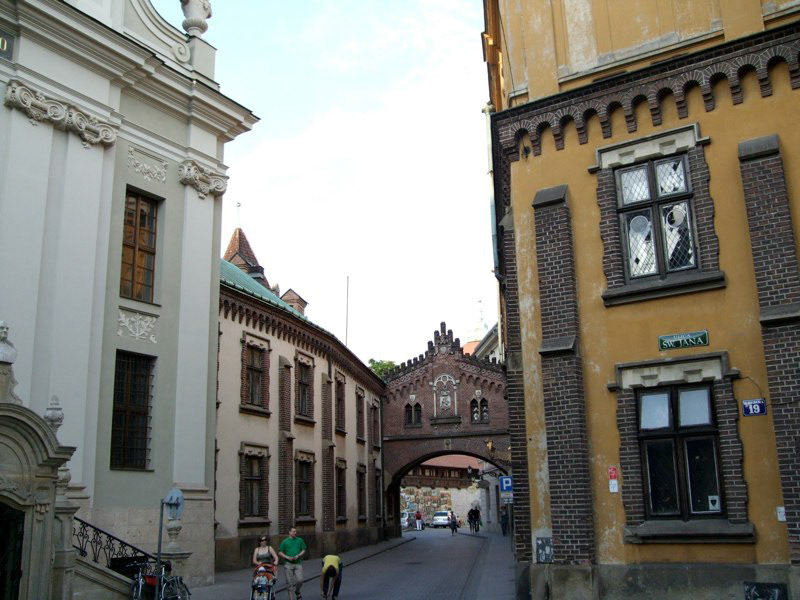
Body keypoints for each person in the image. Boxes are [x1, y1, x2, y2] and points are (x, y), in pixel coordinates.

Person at [278, 527, 307, 600]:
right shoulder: (285, 542)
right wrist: (287, 557)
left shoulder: (300, 540)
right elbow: (280, 552)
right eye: (294, 531)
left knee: (300, 580)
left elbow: (303, 550)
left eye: (296, 531)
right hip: (288, 564)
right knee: (289, 583)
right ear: (289, 532)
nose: (295, 533)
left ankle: (297, 591)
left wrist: (298, 555)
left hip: (298, 563)